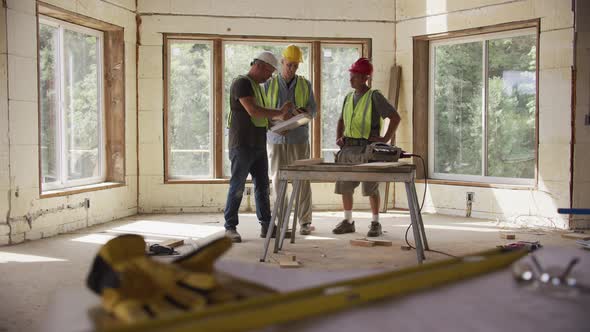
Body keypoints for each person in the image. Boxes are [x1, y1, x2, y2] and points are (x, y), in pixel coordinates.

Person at [224, 51, 293, 243]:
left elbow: (260, 118)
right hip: (242, 144)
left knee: (263, 187)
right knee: (237, 185)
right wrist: (279, 113)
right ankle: (230, 227)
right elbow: (253, 110)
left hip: (258, 144)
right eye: (269, 72)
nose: (269, 76)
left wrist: (280, 127)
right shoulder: (242, 83)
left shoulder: (257, 87)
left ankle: (267, 226)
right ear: (260, 66)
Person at [332, 58, 401, 237]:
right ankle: (348, 221)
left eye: (354, 76)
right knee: (345, 186)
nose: (351, 79)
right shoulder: (348, 97)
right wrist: (338, 137)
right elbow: (341, 120)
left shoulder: (374, 96)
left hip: (367, 149)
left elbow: (395, 117)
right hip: (348, 149)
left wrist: (385, 139)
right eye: (351, 75)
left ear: (365, 78)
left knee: (370, 187)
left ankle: (375, 222)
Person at [264, 45, 317, 236]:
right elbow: (262, 114)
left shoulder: (305, 84)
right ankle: (282, 222)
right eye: (289, 65)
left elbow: (313, 112)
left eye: (295, 66)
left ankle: (305, 222)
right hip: (276, 139)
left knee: (302, 180)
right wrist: (278, 121)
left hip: (298, 139)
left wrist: (301, 116)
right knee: (278, 181)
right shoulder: (268, 85)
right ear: (282, 62)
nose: (292, 69)